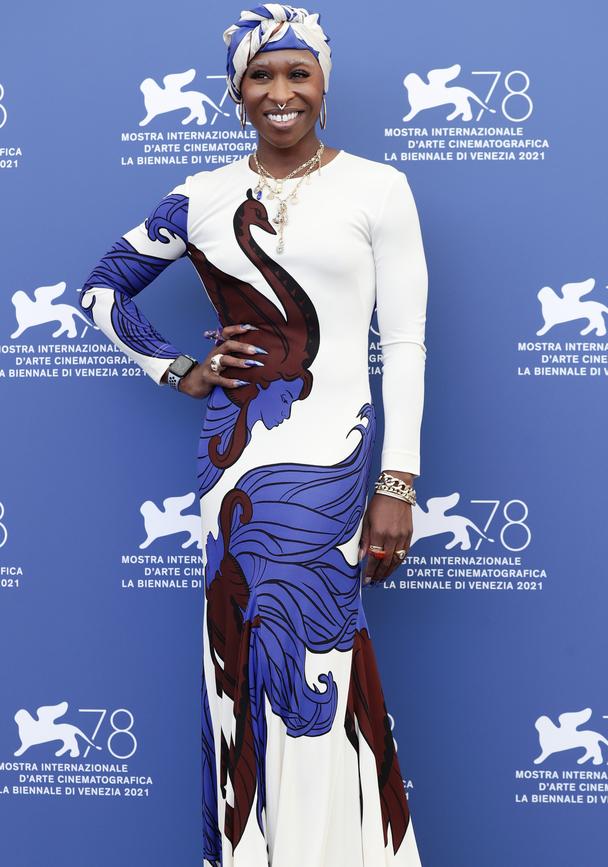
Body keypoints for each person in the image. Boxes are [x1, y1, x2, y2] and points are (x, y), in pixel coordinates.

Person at [79, 5, 428, 865]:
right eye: (261, 76)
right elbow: (100, 292)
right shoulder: (200, 195)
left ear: (323, 85)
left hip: (337, 467)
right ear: (237, 92)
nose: (281, 92)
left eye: (297, 74)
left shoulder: (379, 186)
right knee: (242, 659)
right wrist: (179, 368)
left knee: (323, 658)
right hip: (236, 465)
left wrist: (398, 481)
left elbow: (406, 344)